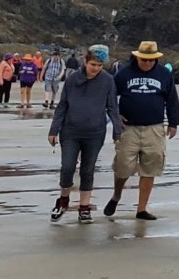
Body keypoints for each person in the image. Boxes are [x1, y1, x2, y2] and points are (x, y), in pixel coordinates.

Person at [105, 41, 179, 221]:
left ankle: (141, 209)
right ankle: (116, 196)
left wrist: (173, 122)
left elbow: (172, 99)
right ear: (137, 57)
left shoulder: (164, 74)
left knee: (150, 168)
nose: (147, 63)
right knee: (123, 167)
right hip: (128, 128)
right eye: (144, 60)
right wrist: (115, 115)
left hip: (154, 128)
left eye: (151, 60)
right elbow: (109, 96)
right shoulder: (124, 73)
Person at [48, 45, 121, 224]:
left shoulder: (108, 80)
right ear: (85, 62)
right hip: (70, 131)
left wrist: (117, 131)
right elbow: (62, 105)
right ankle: (63, 200)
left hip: (95, 133)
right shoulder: (73, 79)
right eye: (93, 64)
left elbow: (112, 107)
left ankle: (84, 207)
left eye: (99, 65)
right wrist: (53, 130)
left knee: (88, 170)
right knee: (67, 168)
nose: (96, 69)